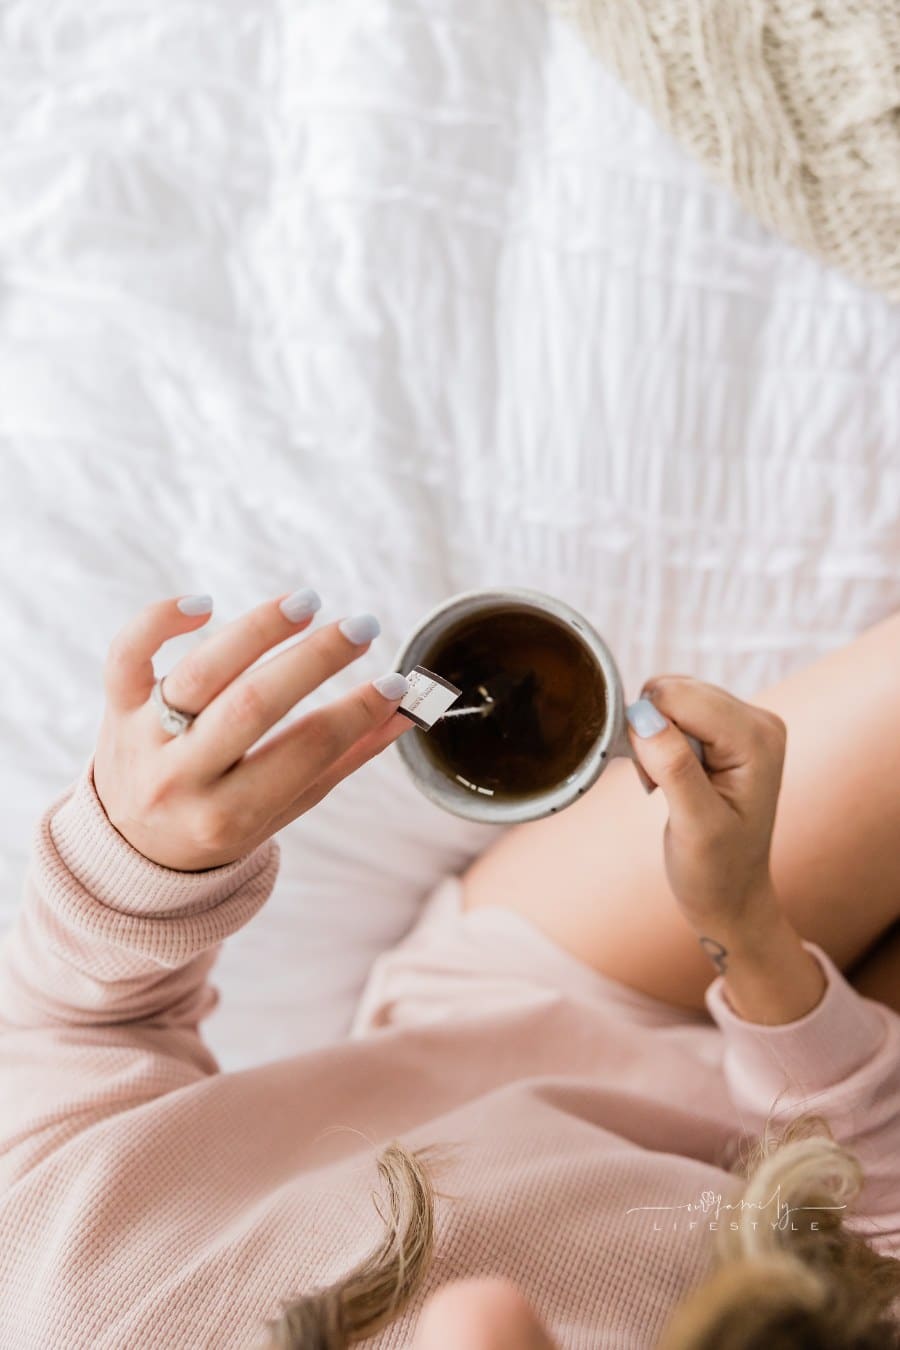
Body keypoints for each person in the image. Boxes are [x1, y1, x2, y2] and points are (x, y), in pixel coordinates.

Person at [1, 590, 899, 1349]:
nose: (479, 1314)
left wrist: (142, 855)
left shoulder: (70, 1309)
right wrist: (750, 938)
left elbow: (69, 1030)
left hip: (533, 1013)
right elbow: (878, 1256)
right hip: (825, 1211)